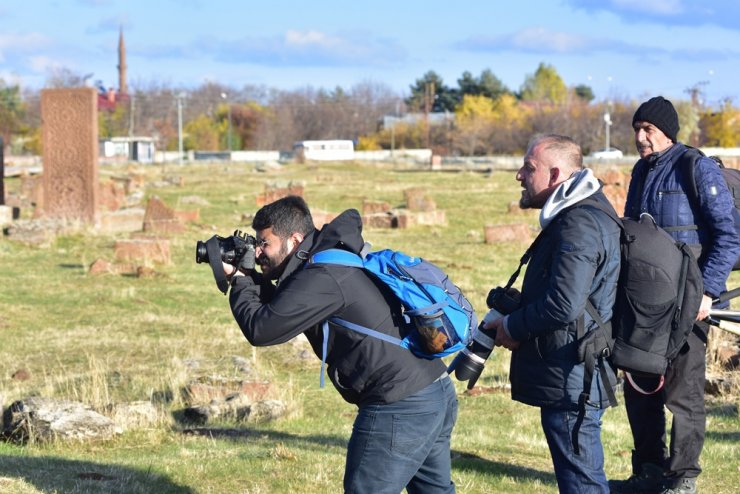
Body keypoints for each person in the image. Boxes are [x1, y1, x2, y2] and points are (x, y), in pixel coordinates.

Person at [222, 195, 458, 494]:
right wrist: (250, 278)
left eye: (265, 243)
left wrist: (241, 281)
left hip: (400, 404)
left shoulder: (321, 276)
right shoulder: (327, 258)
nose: (258, 252)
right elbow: (283, 309)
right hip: (432, 389)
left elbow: (262, 329)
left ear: (293, 240)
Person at [609, 96, 740, 494]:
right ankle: (648, 471)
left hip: (691, 304)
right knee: (640, 387)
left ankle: (683, 478)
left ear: (668, 131)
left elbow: (727, 236)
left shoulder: (695, 167)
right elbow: (631, 233)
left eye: (648, 129)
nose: (640, 137)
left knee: (683, 391)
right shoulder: (640, 171)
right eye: (637, 129)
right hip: (644, 304)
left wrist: (708, 293)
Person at [486, 134, 621, 493]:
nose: (519, 175)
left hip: (572, 373)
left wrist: (513, 325)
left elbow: (564, 303)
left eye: (529, 168)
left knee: (582, 482)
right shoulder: (579, 215)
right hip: (571, 368)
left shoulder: (579, 223)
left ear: (556, 173)